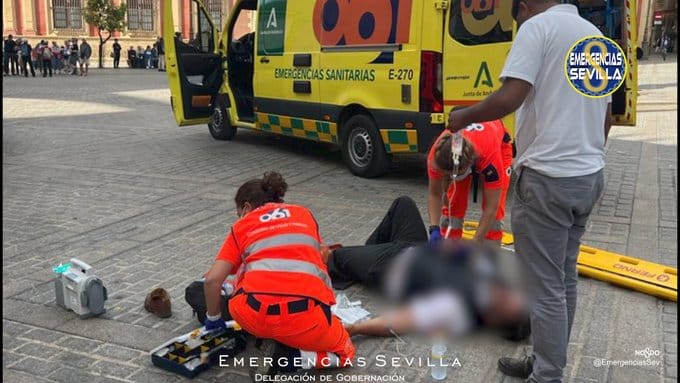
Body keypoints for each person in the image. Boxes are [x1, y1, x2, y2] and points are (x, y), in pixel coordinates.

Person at [447, 1, 609, 381]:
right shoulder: (595, 36)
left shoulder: (538, 29)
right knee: (563, 276)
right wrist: (587, 156)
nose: (517, 16)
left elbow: (511, 96)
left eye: (517, 9)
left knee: (545, 284)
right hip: (588, 176)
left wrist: (463, 116)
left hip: (547, 179)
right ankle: (547, 360)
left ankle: (546, 374)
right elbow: (605, 113)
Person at [203, 172, 355, 379]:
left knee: (243, 272)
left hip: (253, 314)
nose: (238, 218)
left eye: (238, 212)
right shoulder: (304, 214)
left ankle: (270, 336)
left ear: (246, 207)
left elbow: (212, 280)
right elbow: (319, 255)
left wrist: (214, 320)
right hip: (305, 317)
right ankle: (292, 357)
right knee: (345, 353)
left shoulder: (242, 226)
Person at [427, 116, 513, 246]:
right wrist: (434, 228)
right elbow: (435, 194)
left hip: (499, 147)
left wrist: (474, 244)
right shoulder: (436, 157)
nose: (451, 179)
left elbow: (491, 208)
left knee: (495, 211)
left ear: (468, 165)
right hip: (465, 155)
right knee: (453, 203)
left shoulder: (489, 159)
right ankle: (450, 243)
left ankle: (490, 252)